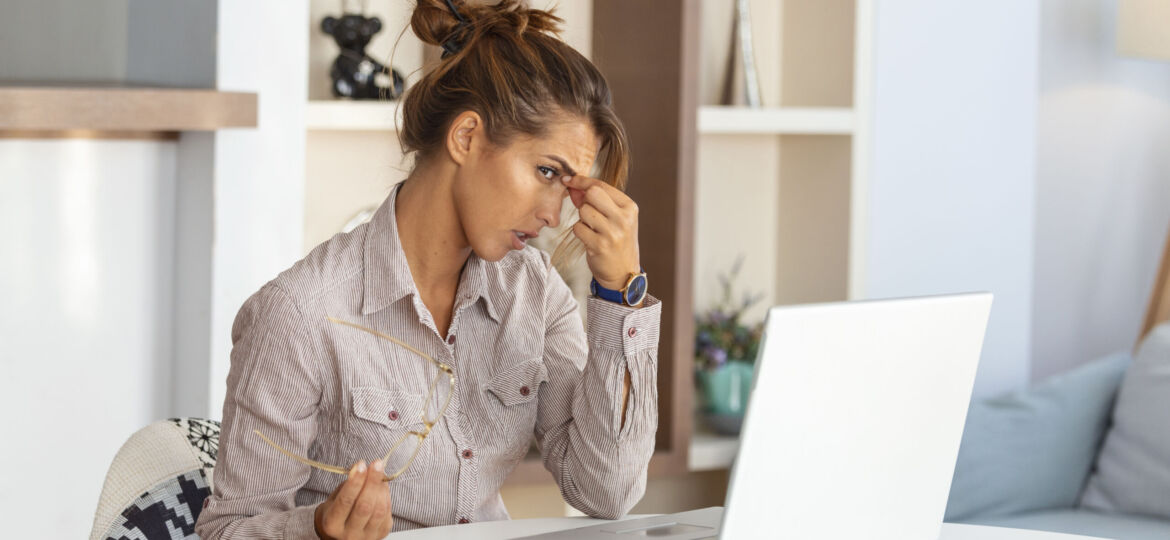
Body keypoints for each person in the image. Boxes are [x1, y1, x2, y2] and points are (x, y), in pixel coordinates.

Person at [194, 1, 661, 538]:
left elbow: (605, 491)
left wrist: (621, 293)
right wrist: (317, 529)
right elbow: (225, 530)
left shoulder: (534, 293)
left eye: (566, 186)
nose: (554, 214)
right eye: (546, 171)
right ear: (465, 137)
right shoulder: (301, 314)